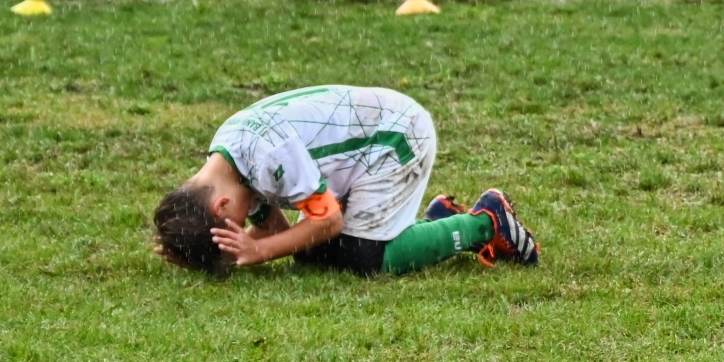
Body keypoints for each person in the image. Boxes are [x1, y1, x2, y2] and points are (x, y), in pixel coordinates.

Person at [152, 85, 539, 277]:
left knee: (363, 257)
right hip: (366, 149)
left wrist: (258, 251)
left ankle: (484, 223)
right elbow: (277, 231)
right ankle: (435, 224)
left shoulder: (269, 155)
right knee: (310, 252)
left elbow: (327, 221)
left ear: (221, 206)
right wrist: (198, 250)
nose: (240, 231)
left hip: (396, 138)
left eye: (231, 229)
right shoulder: (228, 159)